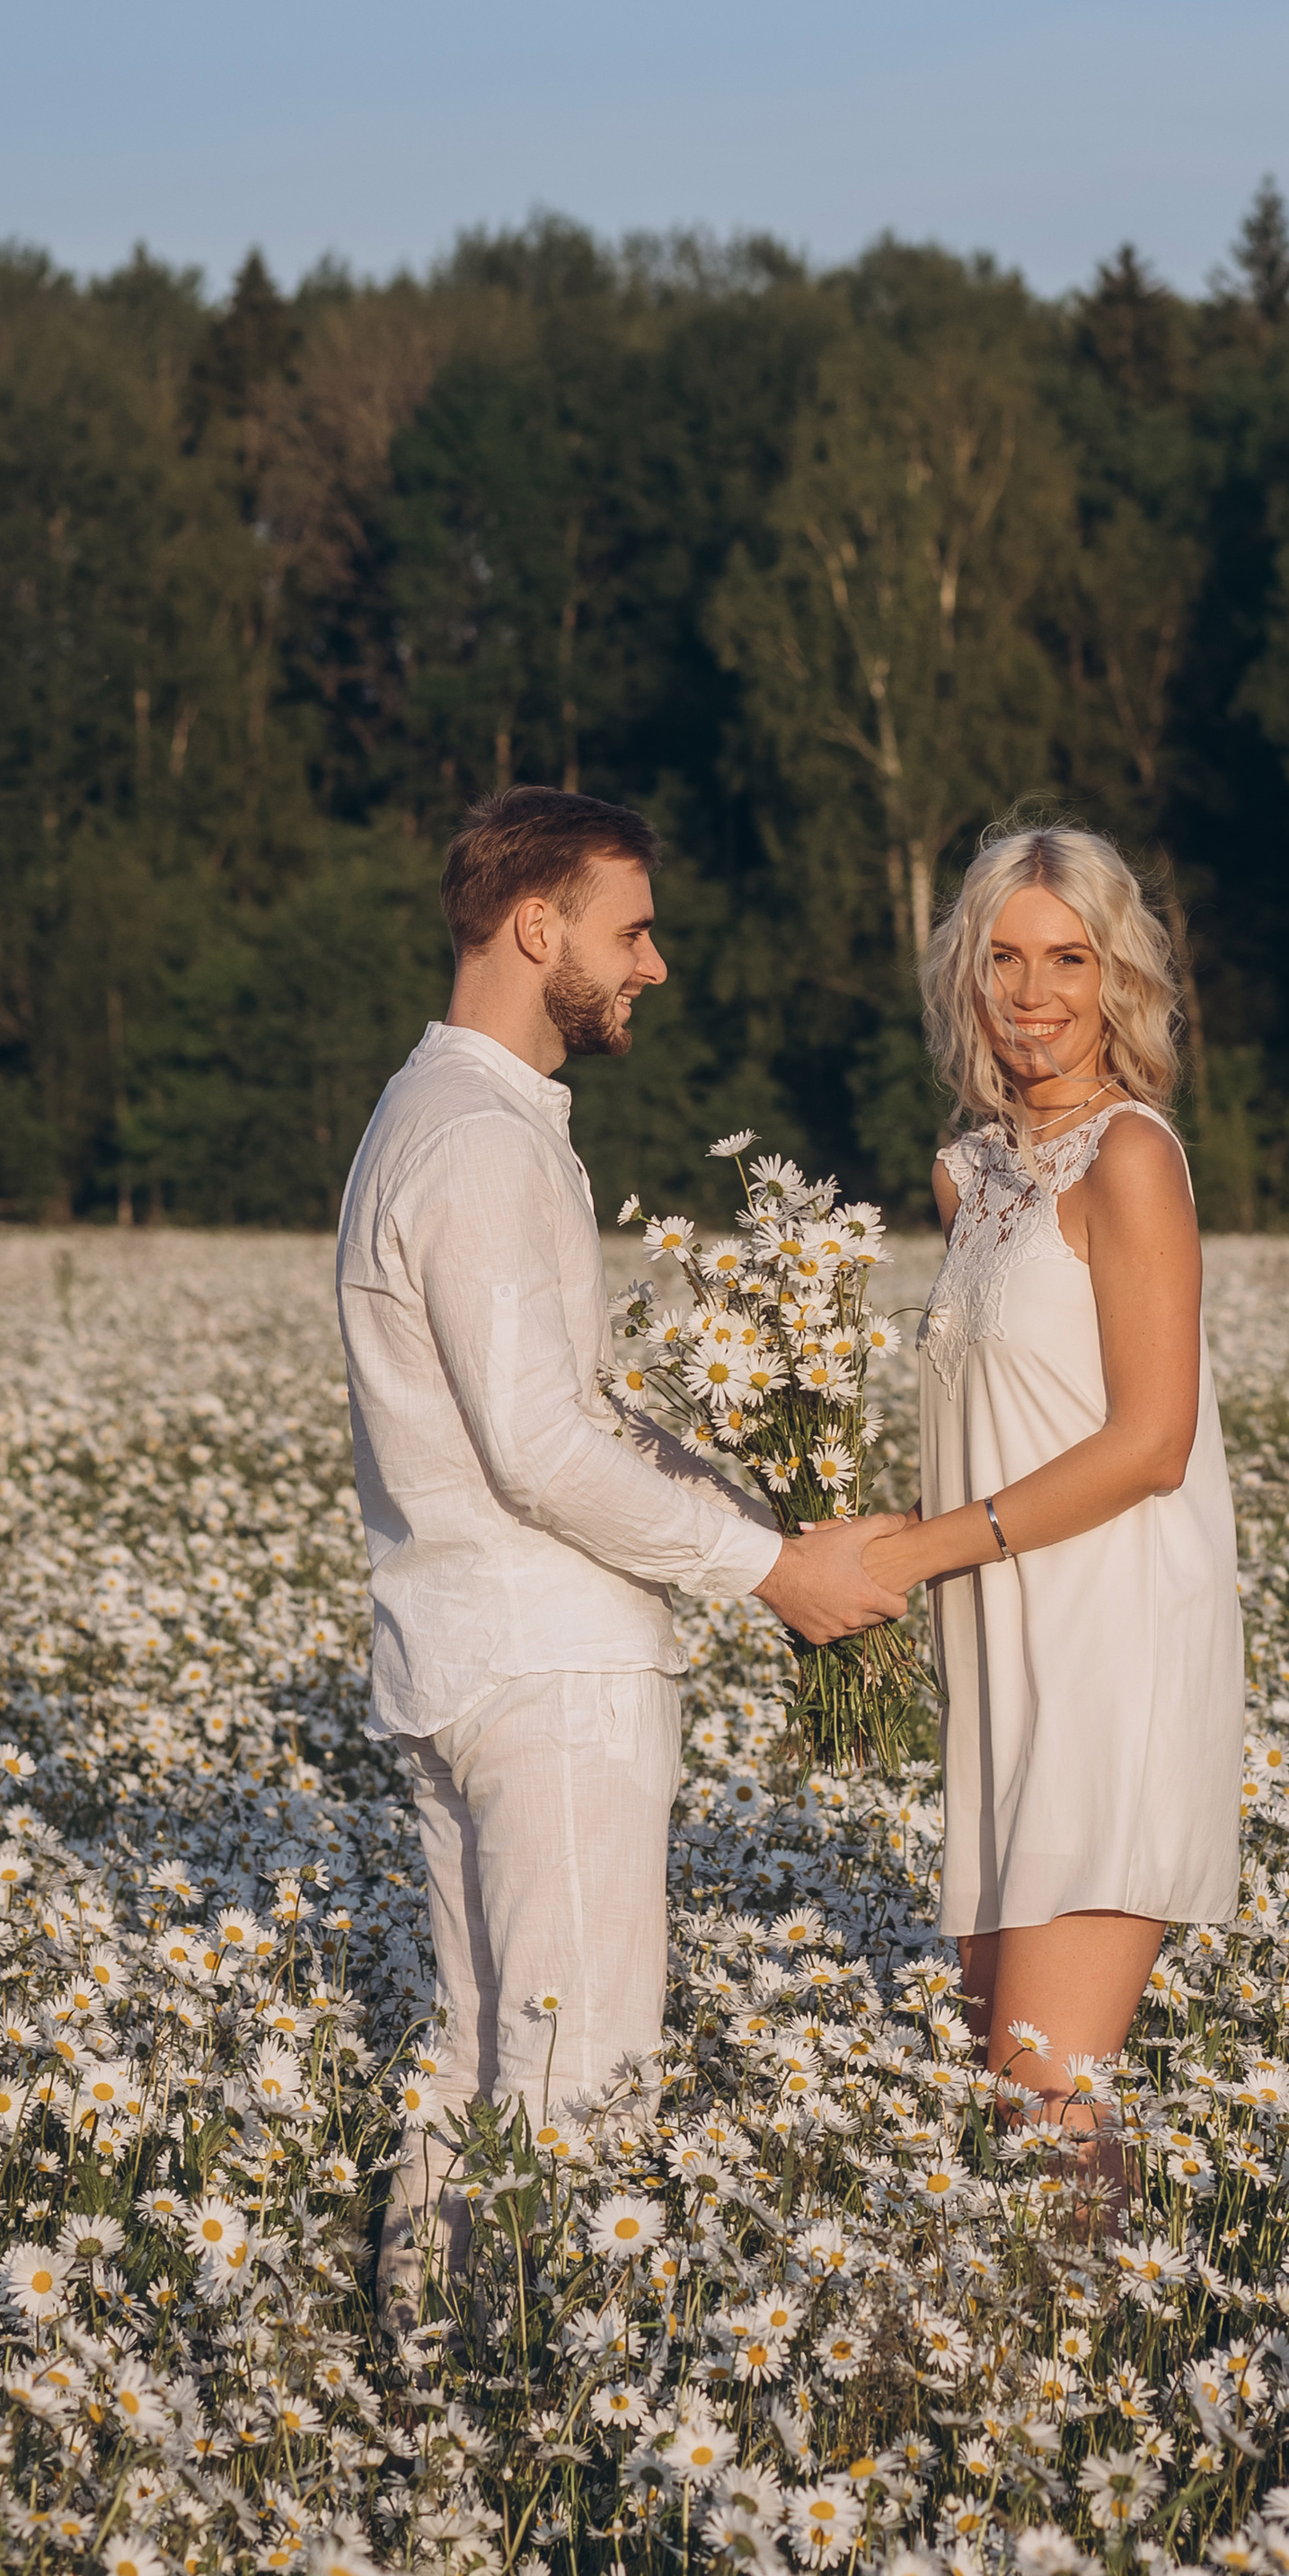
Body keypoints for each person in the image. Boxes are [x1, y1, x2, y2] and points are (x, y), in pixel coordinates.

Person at [339, 786, 906, 2315]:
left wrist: (759, 1511)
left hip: (470, 1654)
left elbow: (559, 1411)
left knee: (482, 2058)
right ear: (539, 929)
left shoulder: (447, 1114)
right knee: (580, 2067)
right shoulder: (474, 1140)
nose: (654, 964)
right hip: (548, 1670)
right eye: (631, 928)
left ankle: (424, 2381)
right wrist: (767, 1568)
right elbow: (541, 1449)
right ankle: (538, 2403)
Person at [860, 823, 1243, 2204]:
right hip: (1001, 1669)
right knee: (1000, 2082)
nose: (1035, 994)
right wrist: (863, 1532)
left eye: (1069, 959)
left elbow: (1150, 1444)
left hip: (1109, 1659)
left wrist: (916, 1553)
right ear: (967, 975)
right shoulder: (970, 1176)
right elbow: (1004, 1421)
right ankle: (1040, 2392)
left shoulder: (1129, 1158)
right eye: (1006, 958)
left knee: (1044, 2103)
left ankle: (1096, 2389)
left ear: (1116, 975)